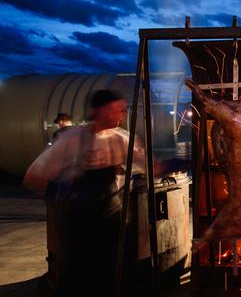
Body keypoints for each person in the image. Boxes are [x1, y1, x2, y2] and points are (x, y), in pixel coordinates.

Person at [24, 90, 149, 296]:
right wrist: (63, 191)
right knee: (81, 281)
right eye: (117, 109)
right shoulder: (71, 140)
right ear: (99, 111)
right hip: (79, 227)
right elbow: (32, 177)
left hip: (112, 223)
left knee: (115, 278)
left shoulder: (120, 139)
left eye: (123, 109)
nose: (122, 113)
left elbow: (150, 165)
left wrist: (175, 164)